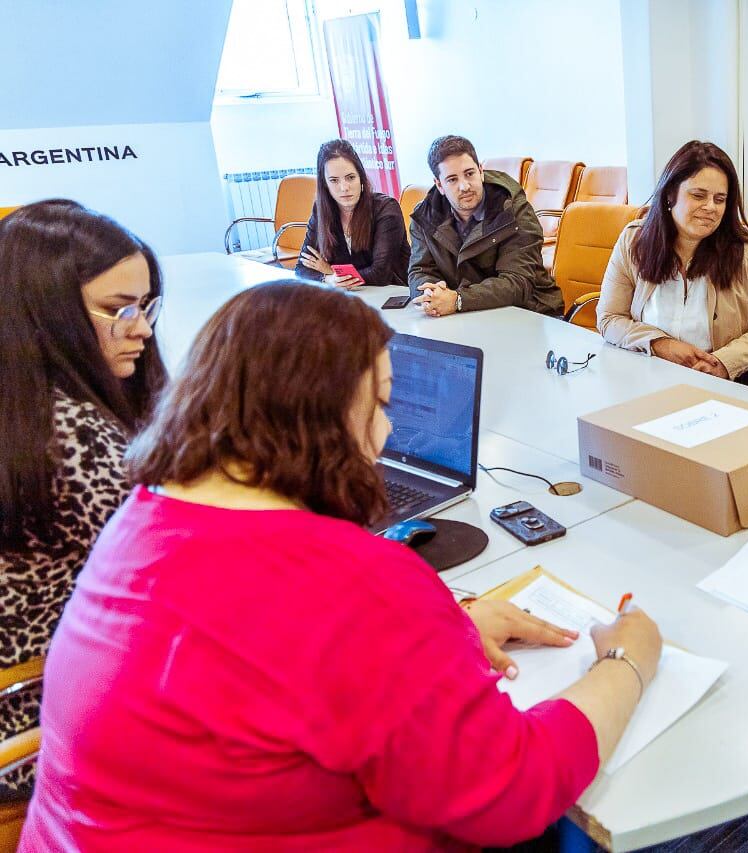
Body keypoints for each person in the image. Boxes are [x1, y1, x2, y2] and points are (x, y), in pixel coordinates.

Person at [21, 282, 663, 851]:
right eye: (380, 404)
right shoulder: (352, 581)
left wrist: (447, 631)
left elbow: (262, 668)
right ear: (317, 411)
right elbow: (516, 787)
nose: (385, 437)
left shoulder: (144, 517)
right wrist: (626, 661)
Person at [0, 200, 166, 800]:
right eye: (117, 310)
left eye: (145, 306)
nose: (142, 328)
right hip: (46, 729)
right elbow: (179, 598)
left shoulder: (23, 409)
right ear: (44, 314)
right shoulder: (70, 437)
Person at [597, 140, 748, 380]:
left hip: (716, 382)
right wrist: (661, 345)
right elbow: (610, 318)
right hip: (645, 372)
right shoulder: (634, 241)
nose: (710, 207)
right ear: (670, 194)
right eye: (698, 195)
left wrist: (723, 363)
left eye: (720, 199)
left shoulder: (747, 253)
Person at [408, 135, 563, 317]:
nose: (465, 186)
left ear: (481, 171)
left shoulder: (514, 210)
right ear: (439, 185)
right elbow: (420, 270)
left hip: (529, 312)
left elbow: (517, 283)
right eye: (452, 180)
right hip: (467, 314)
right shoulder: (425, 215)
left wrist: (458, 299)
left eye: (469, 174)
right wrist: (430, 295)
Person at [295, 138, 410, 289]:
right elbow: (302, 268)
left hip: (394, 294)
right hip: (351, 297)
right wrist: (329, 278)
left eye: (350, 178)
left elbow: (380, 274)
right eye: (334, 180)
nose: (344, 188)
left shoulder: (386, 209)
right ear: (325, 184)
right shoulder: (321, 210)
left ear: (361, 177)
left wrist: (331, 271)